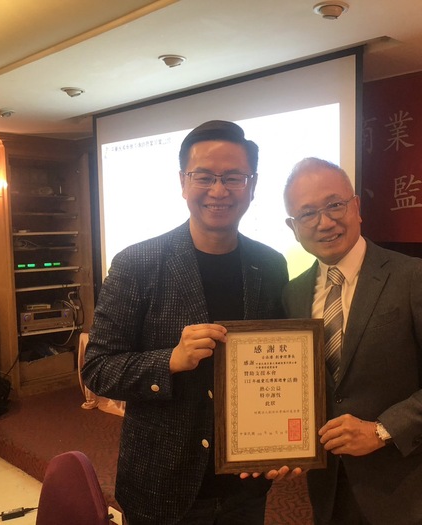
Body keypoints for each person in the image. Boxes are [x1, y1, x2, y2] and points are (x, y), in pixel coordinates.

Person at [81, 120, 290, 525]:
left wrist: (282, 444)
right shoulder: (137, 263)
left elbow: (280, 366)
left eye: (233, 177)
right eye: (204, 177)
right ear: (182, 181)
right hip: (162, 485)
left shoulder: (269, 265)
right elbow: (97, 369)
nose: (219, 190)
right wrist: (169, 361)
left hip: (244, 485)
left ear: (252, 184)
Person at [282, 157, 422, 525]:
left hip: (409, 493)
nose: (324, 222)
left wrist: (381, 430)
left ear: (356, 207)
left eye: (334, 205)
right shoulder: (293, 294)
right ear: (293, 228)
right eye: (307, 213)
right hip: (331, 491)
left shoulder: (413, 276)